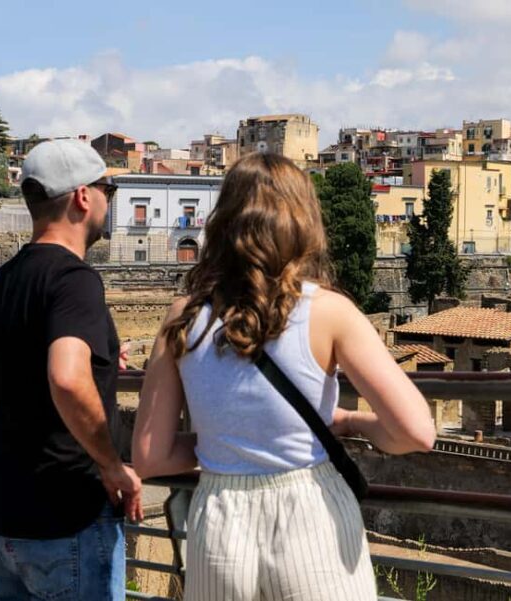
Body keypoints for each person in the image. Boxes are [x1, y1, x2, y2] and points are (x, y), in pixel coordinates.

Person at [133, 152, 435, 600]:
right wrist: (354, 423)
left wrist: (226, 442)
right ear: (303, 222)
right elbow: (416, 432)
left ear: (224, 222)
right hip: (310, 515)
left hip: (219, 526)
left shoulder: (184, 315)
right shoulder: (331, 311)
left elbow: (149, 457)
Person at [0, 139, 143, 601]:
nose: (109, 202)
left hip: (1, 512)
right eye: (108, 189)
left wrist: (102, 358)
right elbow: (66, 378)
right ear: (83, 196)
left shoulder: (6, 278)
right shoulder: (74, 278)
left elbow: (31, 361)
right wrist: (112, 465)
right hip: (64, 515)